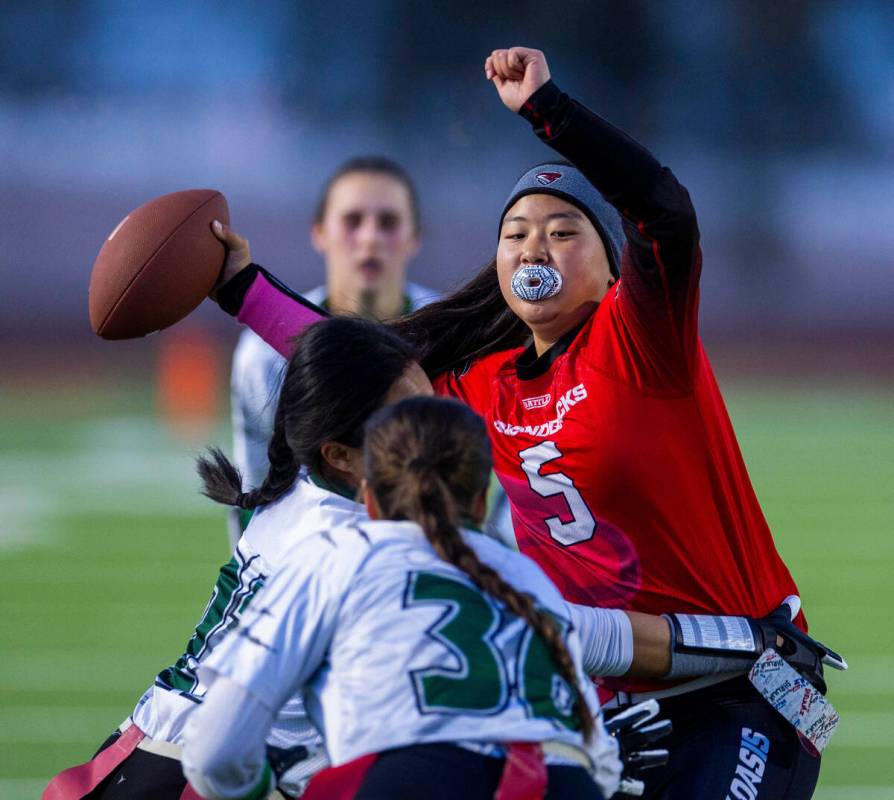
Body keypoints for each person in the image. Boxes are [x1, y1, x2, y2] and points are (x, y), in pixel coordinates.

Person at [205, 46, 845, 798]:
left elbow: (666, 212)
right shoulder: (477, 383)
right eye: (516, 233)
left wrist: (551, 112)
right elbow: (349, 360)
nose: (534, 245)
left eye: (563, 230)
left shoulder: (640, 339)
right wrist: (238, 286)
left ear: (614, 268)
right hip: (609, 697)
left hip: (748, 676)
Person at [41, 317, 432, 800]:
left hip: (155, 752)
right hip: (207, 773)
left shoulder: (306, 496)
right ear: (342, 456)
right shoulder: (352, 546)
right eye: (411, 422)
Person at [182, 396, 621, 800]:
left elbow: (213, 750)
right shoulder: (528, 579)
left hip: (414, 779)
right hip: (558, 782)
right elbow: (601, 764)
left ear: (368, 498)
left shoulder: (334, 553)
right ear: (482, 502)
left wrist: (258, 785)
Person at [228, 157, 439, 546]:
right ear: (319, 233)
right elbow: (254, 486)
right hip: (312, 564)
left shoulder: (451, 334)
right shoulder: (262, 353)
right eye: (353, 220)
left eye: (388, 222)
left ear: (415, 237)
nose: (370, 237)